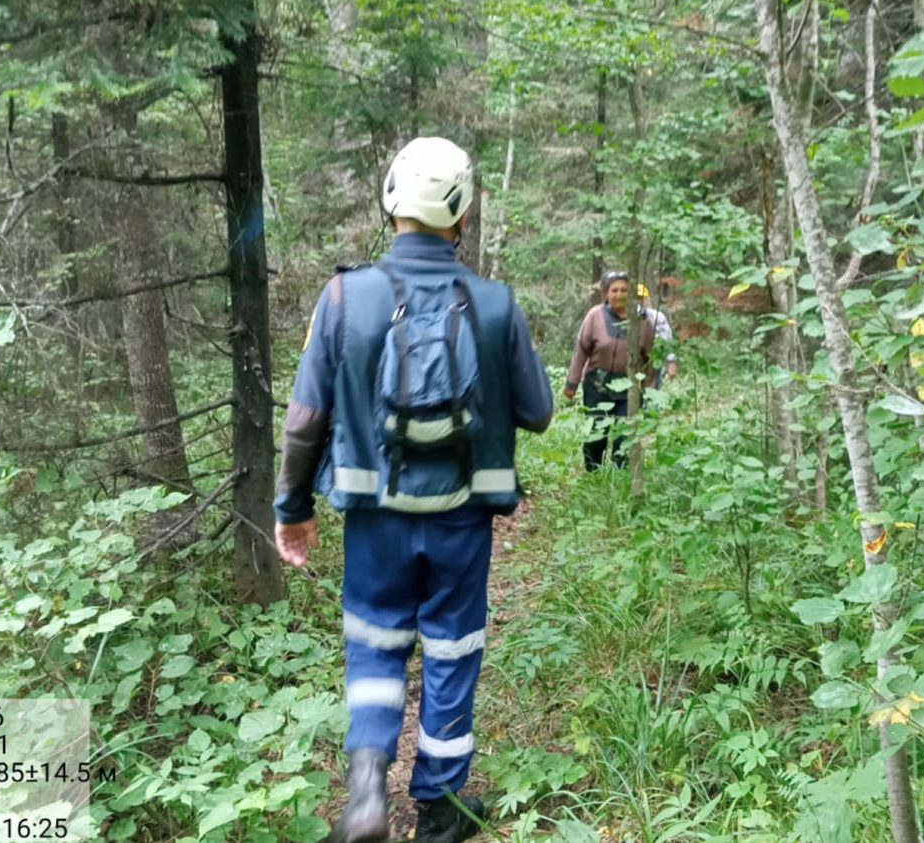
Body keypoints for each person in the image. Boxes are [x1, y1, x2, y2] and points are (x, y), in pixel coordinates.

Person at [272, 136, 554, 843]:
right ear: (462, 213)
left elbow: (305, 418)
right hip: (462, 520)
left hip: (375, 520)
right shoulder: (494, 304)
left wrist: (293, 510)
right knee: (453, 651)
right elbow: (540, 410)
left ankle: (368, 789)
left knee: (374, 644)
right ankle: (438, 810)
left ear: (391, 197)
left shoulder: (343, 296)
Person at [563, 271, 658, 471]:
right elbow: (580, 350)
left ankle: (620, 476)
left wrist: (650, 389)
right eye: (614, 290)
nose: (619, 294)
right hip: (597, 385)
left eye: (624, 290)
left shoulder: (642, 321)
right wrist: (571, 383)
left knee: (624, 437)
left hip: (629, 388)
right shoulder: (594, 316)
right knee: (597, 433)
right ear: (606, 293)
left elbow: (651, 358)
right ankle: (593, 473)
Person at [637, 282, 677, 387]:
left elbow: (666, 340)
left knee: (651, 394)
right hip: (630, 363)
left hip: (653, 363)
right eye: (636, 299)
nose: (639, 302)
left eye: (641, 298)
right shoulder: (623, 318)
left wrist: (671, 361)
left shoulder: (657, 317)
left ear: (647, 299)